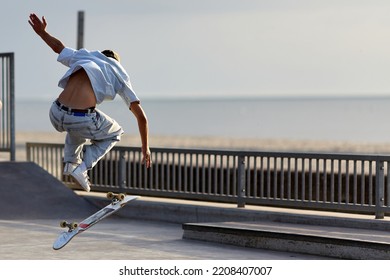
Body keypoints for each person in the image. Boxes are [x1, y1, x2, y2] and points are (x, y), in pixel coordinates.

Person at [28, 13, 151, 192]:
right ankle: (83, 167)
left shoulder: (86, 56)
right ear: (116, 61)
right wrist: (145, 148)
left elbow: (58, 47)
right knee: (114, 132)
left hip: (55, 112)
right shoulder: (119, 72)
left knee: (79, 125)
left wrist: (42, 33)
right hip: (79, 117)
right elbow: (142, 118)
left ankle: (70, 163)